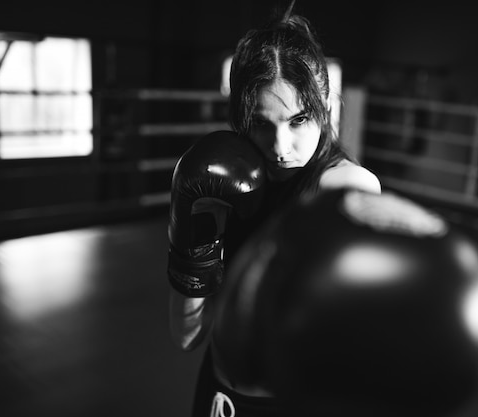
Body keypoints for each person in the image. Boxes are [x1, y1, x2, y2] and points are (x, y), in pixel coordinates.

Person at [167, 1, 381, 416]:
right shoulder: (223, 180)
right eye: (262, 123)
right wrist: (192, 243)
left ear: (323, 103)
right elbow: (186, 335)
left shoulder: (339, 185)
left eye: (299, 120)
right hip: (217, 396)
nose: (280, 148)